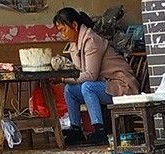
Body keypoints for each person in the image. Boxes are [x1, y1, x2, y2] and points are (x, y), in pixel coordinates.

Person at [53, 8, 139, 146]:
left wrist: (62, 79)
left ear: (74, 26)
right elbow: (78, 72)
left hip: (122, 86)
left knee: (88, 87)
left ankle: (100, 131)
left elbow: (90, 76)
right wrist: (64, 78)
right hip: (105, 86)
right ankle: (76, 129)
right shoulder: (74, 44)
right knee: (70, 89)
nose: (62, 35)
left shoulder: (91, 40)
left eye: (64, 30)